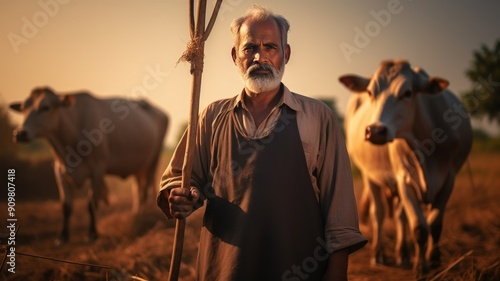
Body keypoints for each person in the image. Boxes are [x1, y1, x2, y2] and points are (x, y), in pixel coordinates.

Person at [157, 5, 367, 281]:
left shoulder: (317, 117)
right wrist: (180, 197)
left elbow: (339, 207)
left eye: (270, 47)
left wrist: (337, 270)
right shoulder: (211, 116)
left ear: (286, 54)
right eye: (249, 48)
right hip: (223, 270)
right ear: (235, 56)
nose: (260, 57)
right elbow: (179, 180)